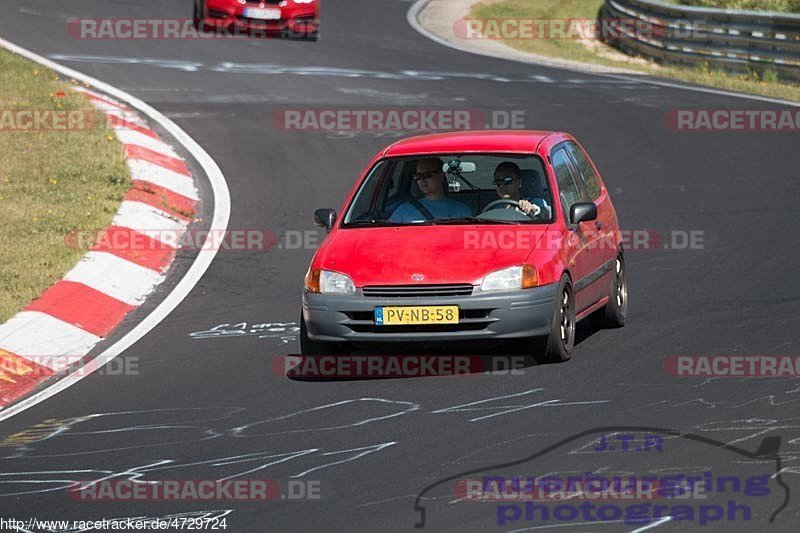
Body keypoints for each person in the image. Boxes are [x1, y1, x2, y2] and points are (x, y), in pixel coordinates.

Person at [389, 157, 472, 222]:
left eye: (427, 175)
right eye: (418, 176)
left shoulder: (461, 210)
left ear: (441, 175)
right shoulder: (404, 210)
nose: (422, 180)